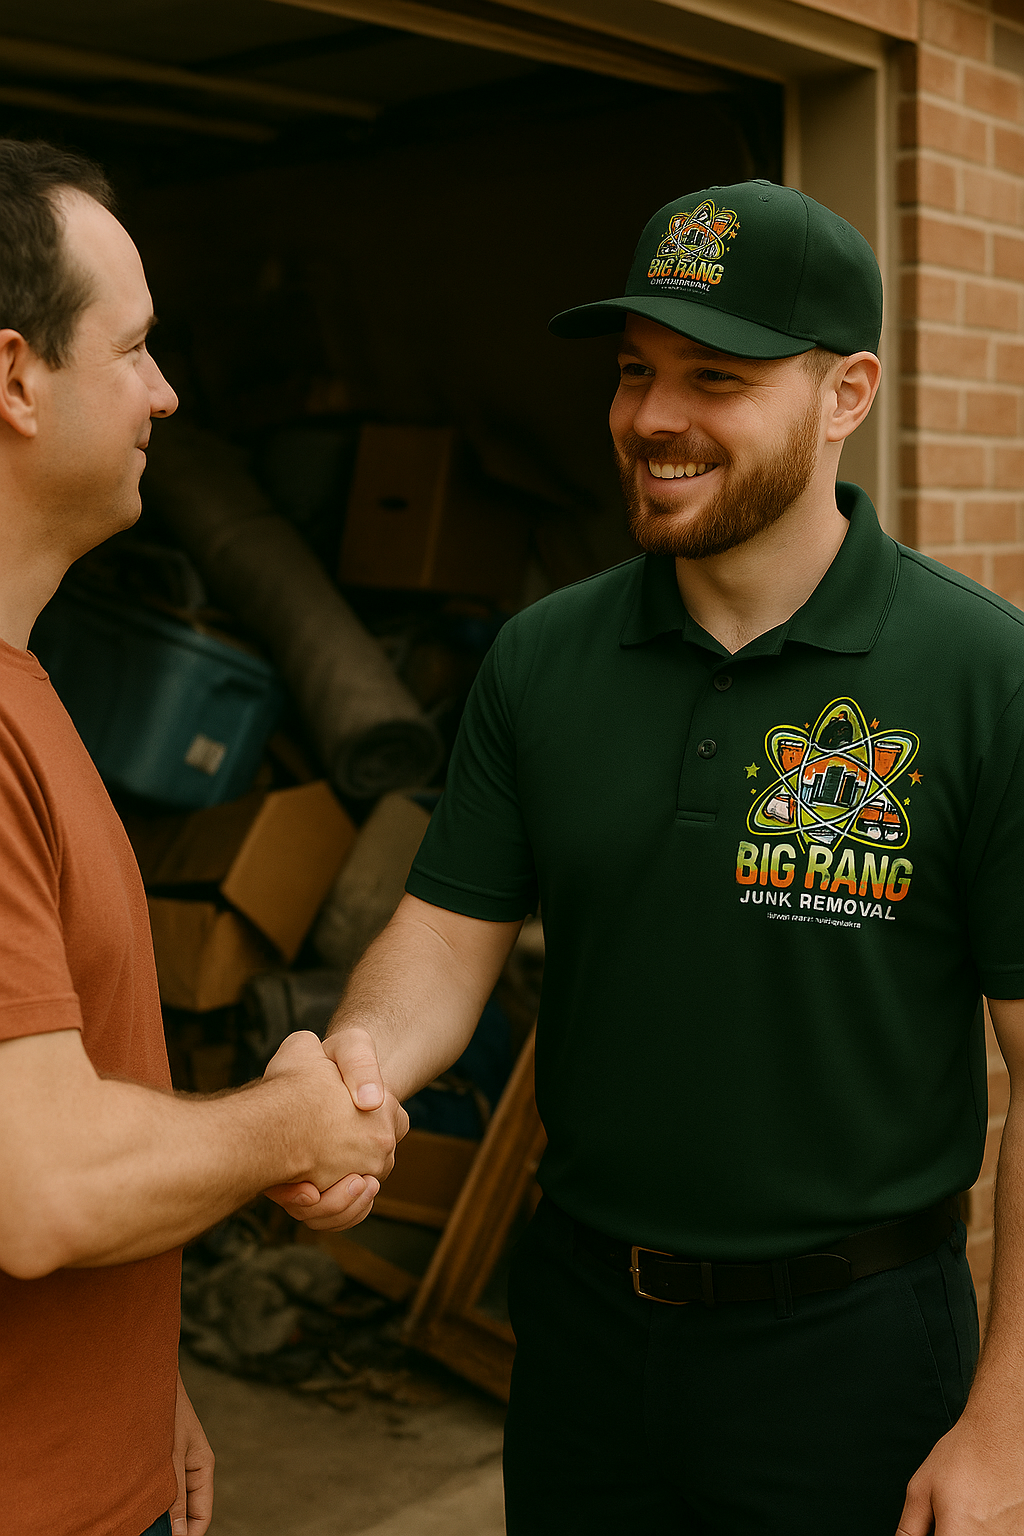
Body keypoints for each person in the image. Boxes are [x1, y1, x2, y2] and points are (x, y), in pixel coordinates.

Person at [272, 181, 1024, 1534]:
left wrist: (1009, 1426)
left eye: (714, 378)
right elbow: (446, 935)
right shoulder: (543, 658)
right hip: (579, 1334)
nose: (652, 420)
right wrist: (353, 1082)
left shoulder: (982, 675)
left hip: (852, 1351)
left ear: (844, 392)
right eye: (634, 373)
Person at [0, 140, 407, 1536]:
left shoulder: (29, 689)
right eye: (136, 349)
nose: (169, 392)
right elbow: (39, 1185)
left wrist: (137, 1371)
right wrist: (292, 1120)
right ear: (13, 378)